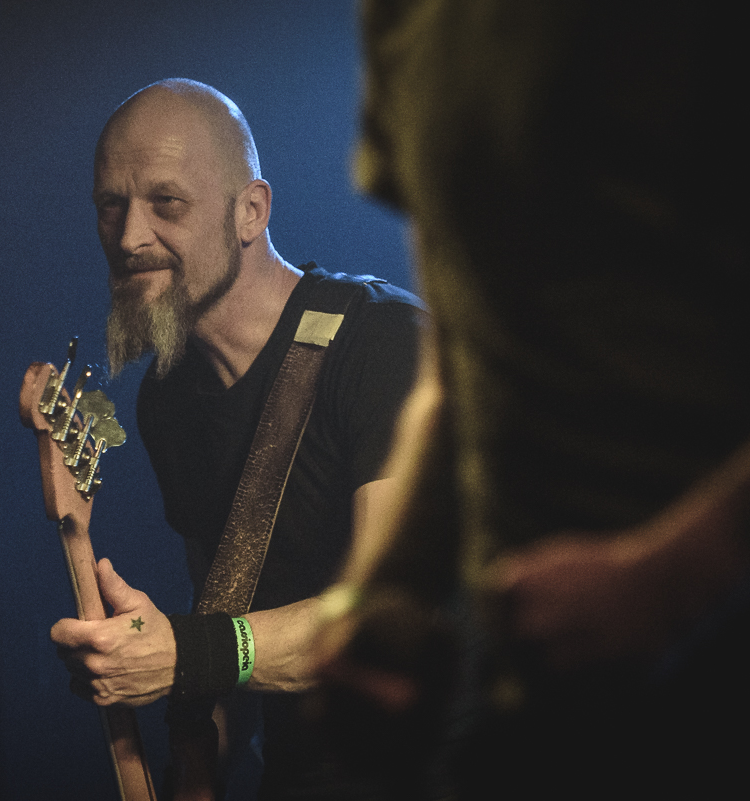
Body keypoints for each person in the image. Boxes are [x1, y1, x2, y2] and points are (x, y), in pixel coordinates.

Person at [311, 2, 750, 799]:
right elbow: (457, 360)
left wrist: (677, 581)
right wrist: (383, 593)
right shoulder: (403, 18)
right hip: (525, 710)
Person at [49, 78, 425, 799]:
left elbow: (385, 618)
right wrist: (194, 767)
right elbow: (227, 606)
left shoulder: (381, 343)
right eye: (110, 205)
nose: (129, 238)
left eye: (167, 203)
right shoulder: (167, 399)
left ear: (251, 211)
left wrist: (185, 655)